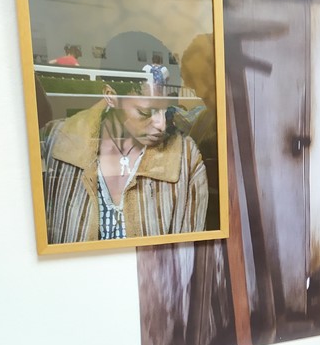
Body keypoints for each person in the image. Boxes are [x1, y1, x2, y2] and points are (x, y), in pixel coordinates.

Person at [41, 76, 208, 243]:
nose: (161, 125)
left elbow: (192, 249)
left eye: (167, 110)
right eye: (145, 112)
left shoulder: (186, 158)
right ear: (111, 96)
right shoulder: (55, 141)